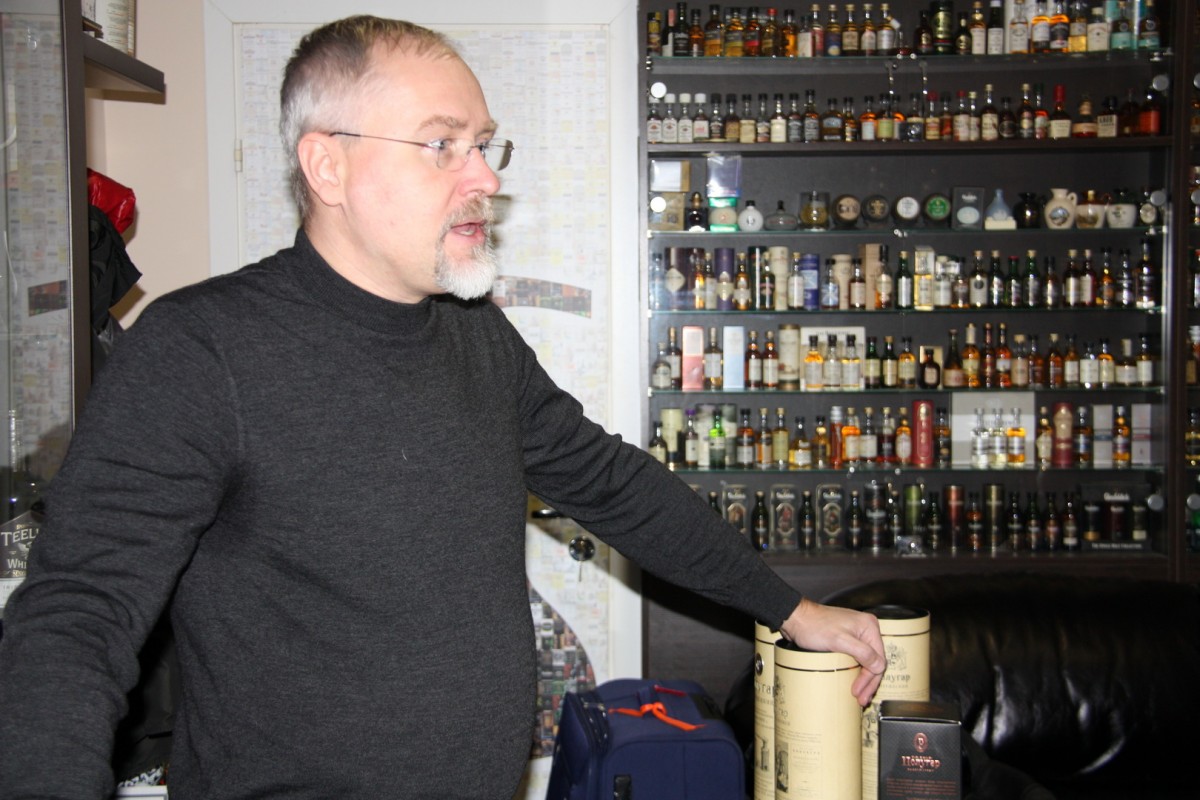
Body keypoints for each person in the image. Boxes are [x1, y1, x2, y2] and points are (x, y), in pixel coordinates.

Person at [0, 15, 884, 799]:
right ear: (328, 165)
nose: (483, 179)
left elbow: (613, 484)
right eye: (442, 145)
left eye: (485, 145)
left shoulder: (474, 335)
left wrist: (789, 609)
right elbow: (76, 615)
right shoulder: (200, 350)